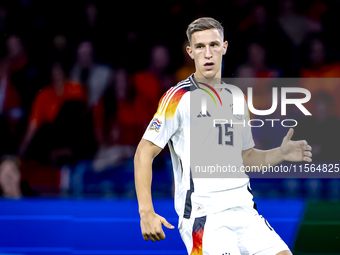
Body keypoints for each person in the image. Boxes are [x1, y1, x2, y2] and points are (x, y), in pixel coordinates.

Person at [134, 17, 312, 255]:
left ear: (224, 47)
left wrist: (279, 153)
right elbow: (144, 152)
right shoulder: (178, 98)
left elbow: (245, 157)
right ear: (190, 52)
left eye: (214, 45)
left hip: (245, 212)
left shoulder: (237, 97)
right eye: (200, 47)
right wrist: (146, 211)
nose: (208, 53)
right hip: (205, 217)